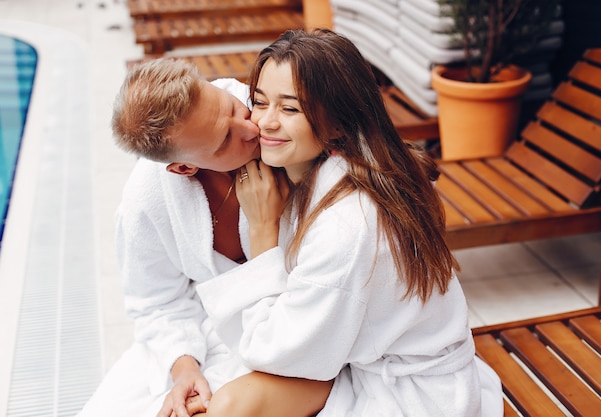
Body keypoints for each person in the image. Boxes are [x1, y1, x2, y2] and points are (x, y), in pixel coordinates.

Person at [196, 29, 504, 417]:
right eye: (259, 102)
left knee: (228, 407)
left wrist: (262, 231)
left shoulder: (346, 224)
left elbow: (273, 351)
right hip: (361, 362)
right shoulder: (353, 168)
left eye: (290, 109)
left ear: (338, 121)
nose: (266, 122)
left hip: (413, 399)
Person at [76, 58, 332, 417]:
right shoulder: (147, 201)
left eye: (230, 107)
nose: (249, 129)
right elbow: (157, 303)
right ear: (183, 167)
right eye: (225, 141)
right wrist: (185, 369)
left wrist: (265, 227)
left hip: (303, 326)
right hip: (215, 329)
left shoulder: (277, 119)